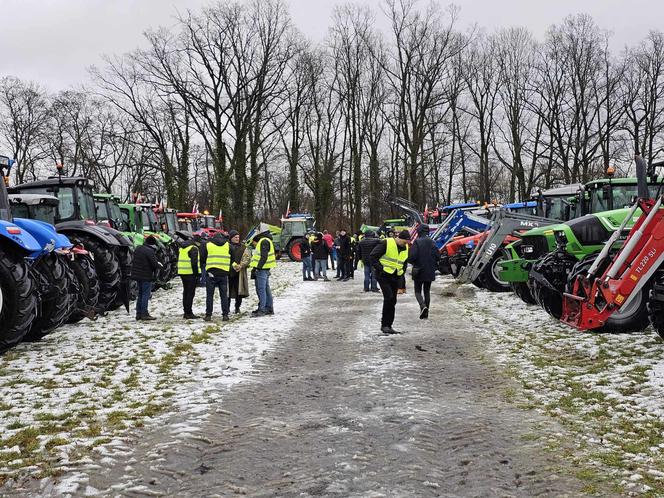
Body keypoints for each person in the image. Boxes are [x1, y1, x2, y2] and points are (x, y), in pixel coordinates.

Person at [370, 230, 410, 335]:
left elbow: (404, 261)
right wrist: (380, 269)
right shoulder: (386, 243)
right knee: (388, 297)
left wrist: (402, 272)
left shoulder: (405, 247)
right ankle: (384, 325)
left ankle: (389, 325)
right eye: (405, 242)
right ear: (399, 238)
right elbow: (373, 256)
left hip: (395, 275)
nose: (406, 244)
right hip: (383, 275)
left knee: (393, 300)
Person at [408, 224, 439, 319]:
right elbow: (438, 256)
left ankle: (423, 306)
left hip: (419, 270)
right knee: (427, 291)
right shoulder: (433, 242)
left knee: (417, 291)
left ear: (419, 231)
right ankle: (426, 313)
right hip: (430, 270)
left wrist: (414, 262)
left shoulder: (417, 242)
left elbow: (412, 257)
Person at [201, 231, 232, 322]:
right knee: (224, 296)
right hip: (223, 273)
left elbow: (203, 258)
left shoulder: (208, 245)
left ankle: (208, 315)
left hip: (211, 273)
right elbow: (232, 257)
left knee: (210, 295)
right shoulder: (228, 245)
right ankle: (225, 315)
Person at [131, 235, 161, 321]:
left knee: (140, 294)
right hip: (145, 275)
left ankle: (138, 314)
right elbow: (154, 263)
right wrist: (159, 265)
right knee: (145, 295)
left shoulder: (138, 248)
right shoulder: (150, 251)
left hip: (137, 275)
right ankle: (144, 313)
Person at [250, 230, 276, 316]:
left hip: (262, 269)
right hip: (265, 269)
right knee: (266, 289)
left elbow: (263, 256)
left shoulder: (263, 241)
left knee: (261, 290)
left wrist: (258, 268)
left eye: (253, 243)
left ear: (255, 240)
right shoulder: (267, 240)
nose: (253, 245)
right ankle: (268, 308)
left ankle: (262, 309)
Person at [177, 235, 201, 319]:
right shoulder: (193, 248)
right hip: (190, 273)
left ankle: (186, 311)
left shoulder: (183, 247)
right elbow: (194, 263)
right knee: (190, 293)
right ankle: (188, 313)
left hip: (182, 272)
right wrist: (197, 274)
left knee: (186, 292)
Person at [228, 230, 250, 313]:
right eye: (235, 237)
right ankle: (227, 308)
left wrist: (241, 265)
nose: (237, 238)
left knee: (239, 292)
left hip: (239, 273)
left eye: (238, 237)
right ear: (231, 238)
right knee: (228, 292)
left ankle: (237, 307)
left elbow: (247, 258)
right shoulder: (226, 246)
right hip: (228, 273)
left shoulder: (243, 247)